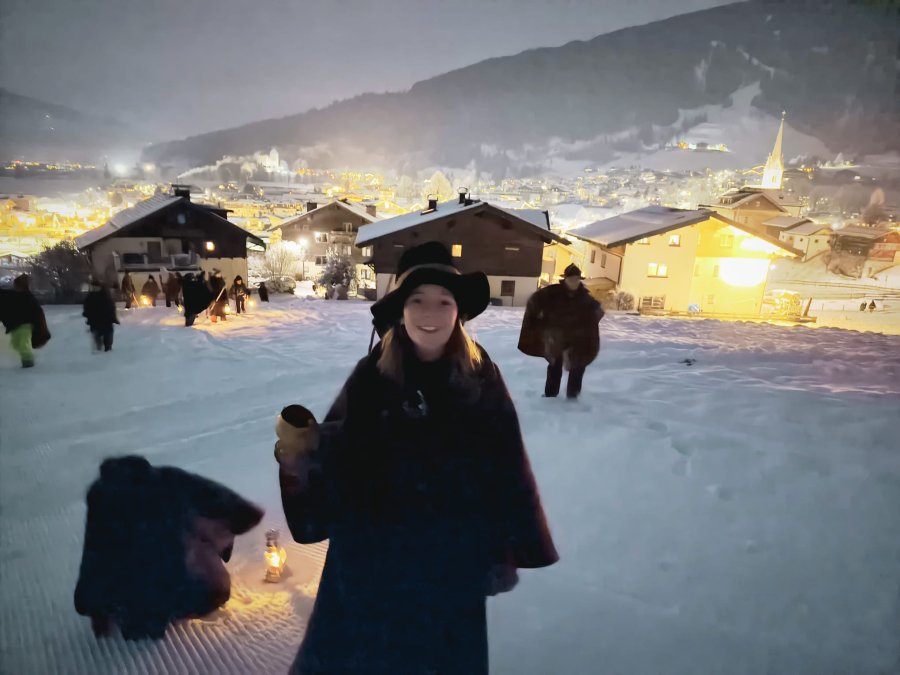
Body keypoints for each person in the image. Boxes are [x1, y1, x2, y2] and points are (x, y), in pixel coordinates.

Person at [276, 241, 558, 675]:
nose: (431, 313)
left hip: (448, 565)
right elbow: (340, 454)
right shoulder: (371, 375)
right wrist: (305, 452)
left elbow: (506, 467)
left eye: (444, 301)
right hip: (369, 563)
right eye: (417, 300)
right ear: (401, 310)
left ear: (458, 312)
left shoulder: (480, 377)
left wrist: (502, 546)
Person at [518, 263, 604, 399]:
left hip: (576, 337)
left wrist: (593, 317)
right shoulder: (552, 292)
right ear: (565, 279)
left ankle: (573, 397)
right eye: (571, 279)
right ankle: (551, 395)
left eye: (576, 279)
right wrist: (539, 320)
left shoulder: (584, 296)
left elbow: (597, 311)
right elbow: (534, 301)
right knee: (555, 365)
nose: (574, 282)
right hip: (556, 336)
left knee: (578, 365)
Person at [0, 274, 51, 368]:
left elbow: (36, 310)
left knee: (23, 343)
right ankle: (28, 356)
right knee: (16, 344)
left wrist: (38, 323)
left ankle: (28, 360)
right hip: (14, 325)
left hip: (25, 324)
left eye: (16, 285)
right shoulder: (12, 295)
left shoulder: (27, 296)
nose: (15, 287)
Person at [82, 279, 119, 352]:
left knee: (102, 336)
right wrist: (113, 318)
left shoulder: (94, 296)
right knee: (105, 335)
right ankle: (104, 348)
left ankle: (104, 348)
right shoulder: (102, 296)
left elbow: (111, 307)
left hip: (100, 321)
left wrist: (87, 315)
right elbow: (111, 307)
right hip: (102, 321)